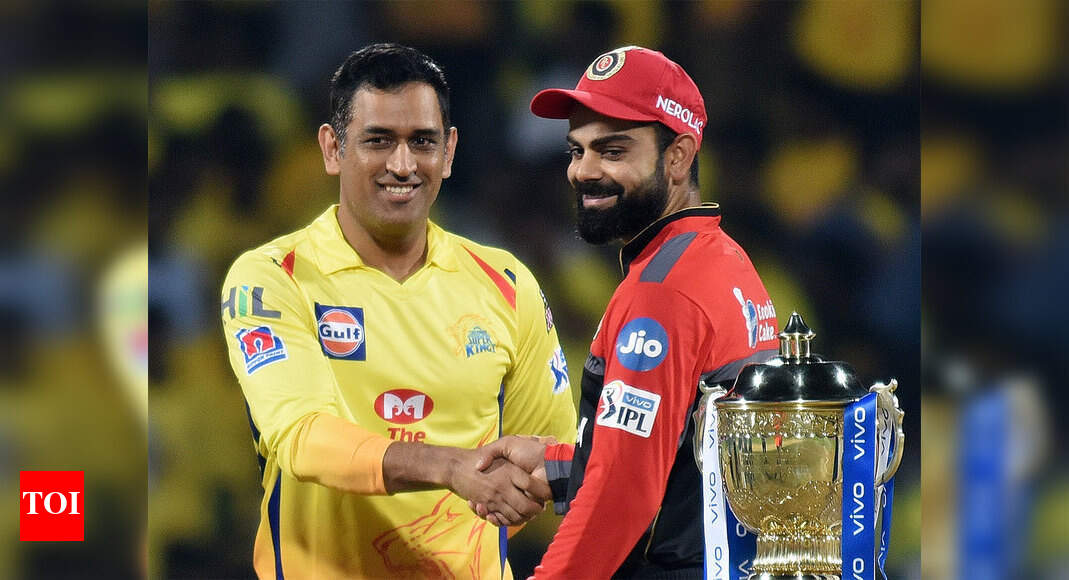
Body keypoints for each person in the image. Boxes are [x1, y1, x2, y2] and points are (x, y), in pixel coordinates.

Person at [220, 43, 576, 579]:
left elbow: (544, 457)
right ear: (332, 148)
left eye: (423, 142)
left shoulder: (507, 284)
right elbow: (302, 439)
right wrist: (451, 468)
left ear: (449, 152)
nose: (403, 165)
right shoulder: (273, 278)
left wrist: (480, 510)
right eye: (378, 140)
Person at [474, 46, 781, 578]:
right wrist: (561, 465)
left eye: (612, 151)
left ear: (678, 157)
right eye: (576, 151)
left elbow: (624, 496)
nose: (583, 172)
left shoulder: (664, 292)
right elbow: (678, 461)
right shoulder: (723, 260)